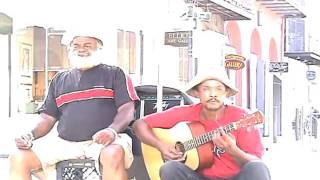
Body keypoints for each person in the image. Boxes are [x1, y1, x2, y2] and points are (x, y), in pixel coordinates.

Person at [9, 31, 140, 180]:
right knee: (19, 158)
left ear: (99, 49)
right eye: (76, 46)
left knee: (113, 154)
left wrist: (112, 130)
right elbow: (47, 118)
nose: (81, 49)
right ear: (69, 50)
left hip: (107, 141)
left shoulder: (115, 74)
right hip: (66, 142)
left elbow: (127, 110)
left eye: (88, 45)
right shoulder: (59, 79)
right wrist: (29, 135)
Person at [133, 66, 271, 180]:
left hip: (235, 177)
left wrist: (233, 151)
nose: (213, 94)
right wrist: (161, 146)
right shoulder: (184, 112)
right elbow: (139, 124)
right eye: (206, 89)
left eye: (219, 89)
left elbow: (255, 163)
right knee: (169, 168)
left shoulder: (243, 117)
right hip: (198, 177)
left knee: (258, 168)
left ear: (226, 93)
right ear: (197, 93)